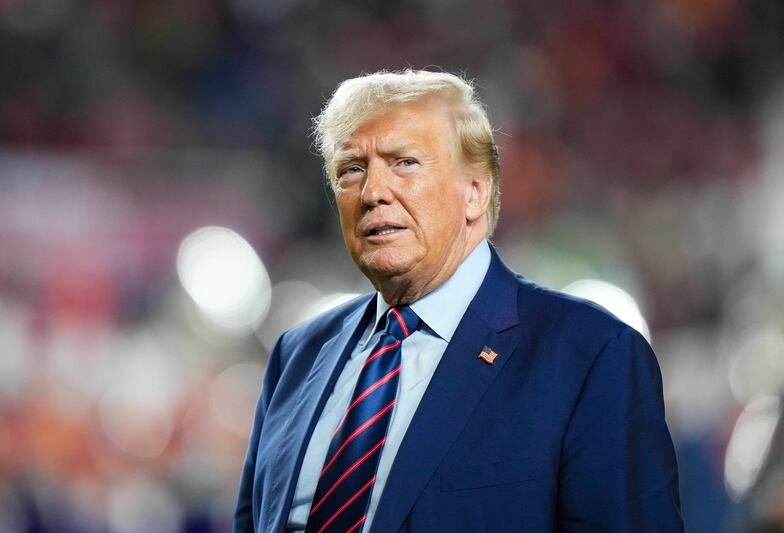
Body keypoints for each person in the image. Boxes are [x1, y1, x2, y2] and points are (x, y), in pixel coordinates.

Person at [234, 69, 683, 532]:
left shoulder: (589, 355)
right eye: (351, 170)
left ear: (476, 191)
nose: (372, 193)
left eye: (404, 162)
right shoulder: (298, 355)